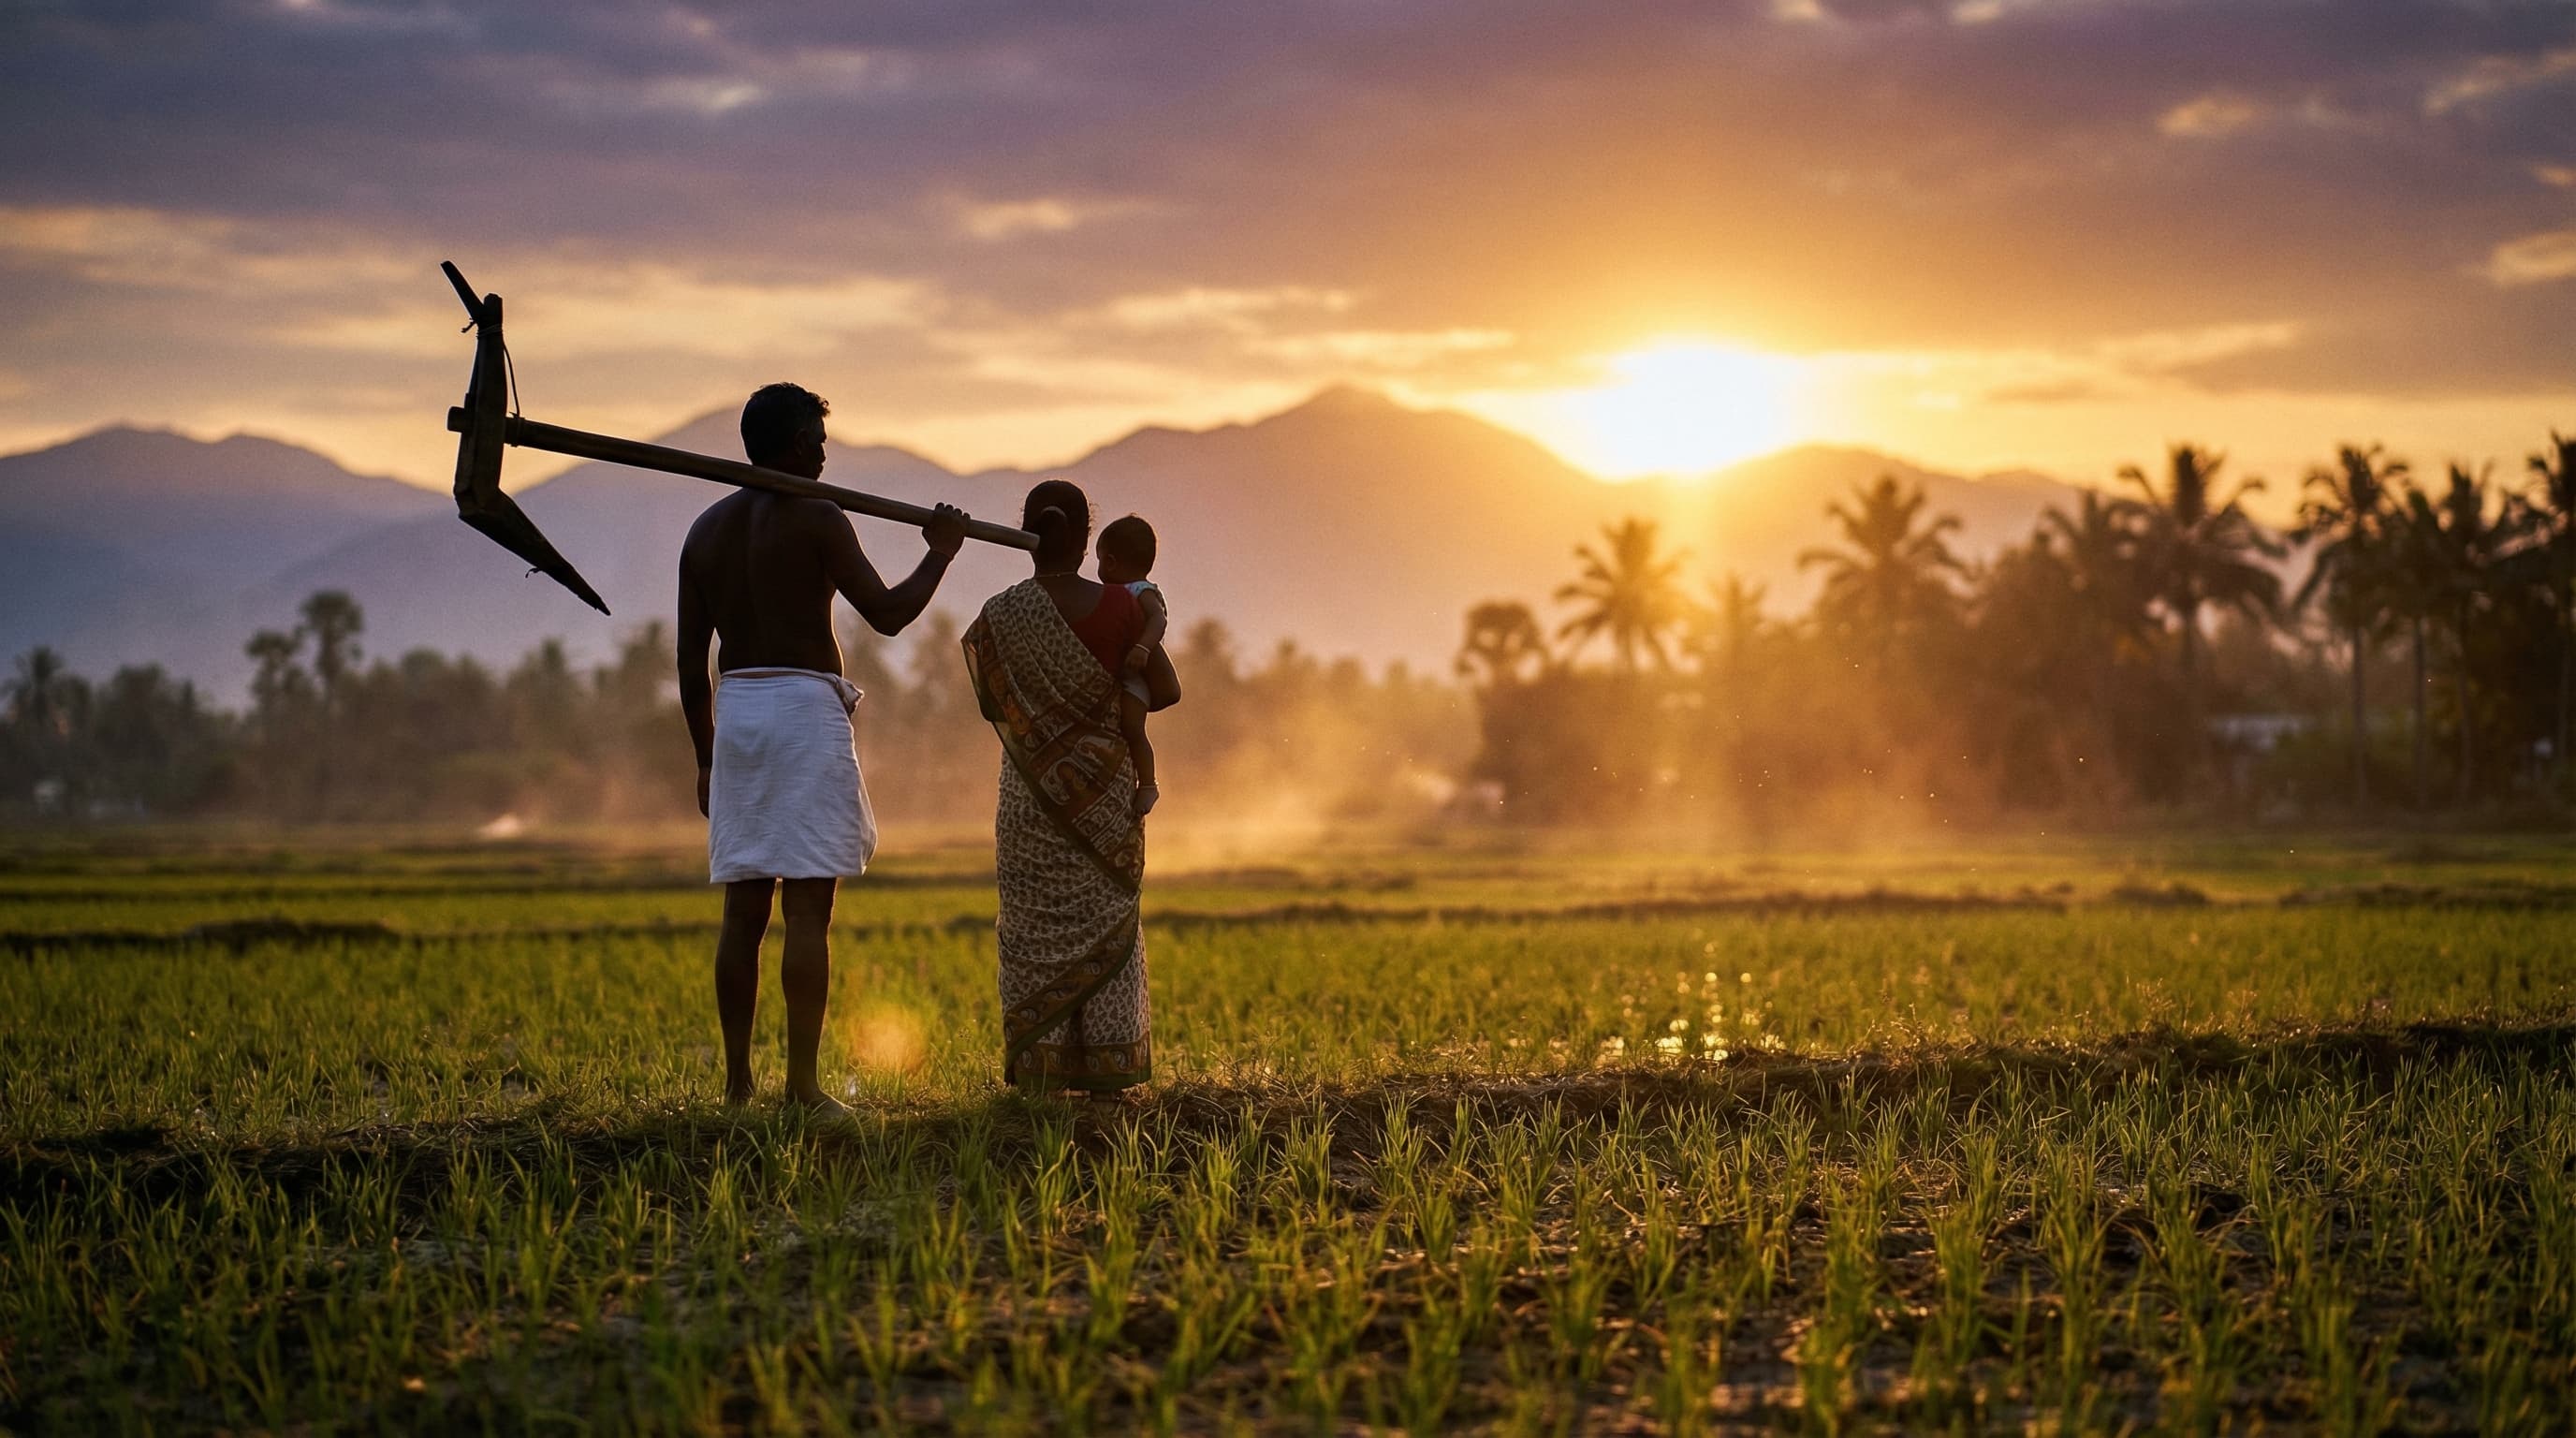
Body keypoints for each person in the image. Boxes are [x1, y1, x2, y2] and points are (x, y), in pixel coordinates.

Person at [677, 382, 967, 1115]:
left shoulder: (705, 531)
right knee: (808, 909)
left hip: (737, 710)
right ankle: (801, 1089)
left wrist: (708, 755)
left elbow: (689, 664)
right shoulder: (819, 518)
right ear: (802, 446)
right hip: (804, 708)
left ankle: (740, 1087)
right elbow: (891, 614)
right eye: (821, 442)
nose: (826, 455)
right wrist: (942, 554)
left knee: (745, 908)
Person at [960, 479, 1178, 1095]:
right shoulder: (1122, 608)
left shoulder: (1000, 615)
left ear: (1028, 538)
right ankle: (1107, 1077)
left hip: (1031, 804)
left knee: (1033, 931)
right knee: (1110, 923)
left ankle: (1040, 1076)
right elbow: (1168, 690)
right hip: (1107, 799)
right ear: (1087, 542)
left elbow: (993, 708)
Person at [1093, 514, 1174, 816]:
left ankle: (1149, 784)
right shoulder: (1117, 594)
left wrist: (1142, 647)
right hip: (1123, 675)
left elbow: (1158, 620)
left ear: (1111, 562)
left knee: (1132, 727)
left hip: (1135, 678)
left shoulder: (1141, 591)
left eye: (1100, 560)